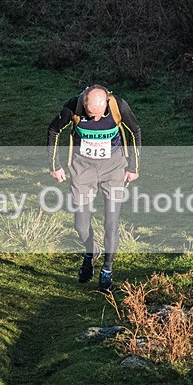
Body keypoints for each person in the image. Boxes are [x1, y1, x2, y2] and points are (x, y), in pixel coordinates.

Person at [47, 84, 141, 292]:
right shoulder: (74, 106)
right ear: (83, 103)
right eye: (91, 115)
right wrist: (55, 165)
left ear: (106, 103)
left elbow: (136, 131)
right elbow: (54, 130)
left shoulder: (118, 106)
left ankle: (107, 270)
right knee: (80, 225)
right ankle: (91, 252)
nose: (95, 119)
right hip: (83, 168)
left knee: (111, 222)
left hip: (114, 168)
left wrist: (134, 167)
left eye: (99, 115)